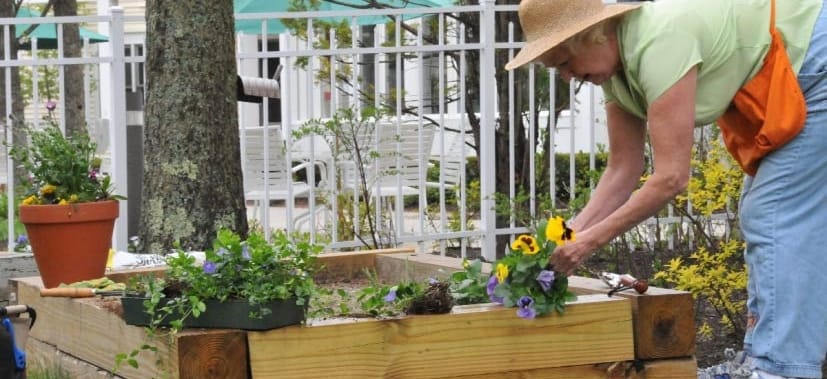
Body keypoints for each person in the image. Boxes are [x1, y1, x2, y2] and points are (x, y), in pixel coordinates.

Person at [505, 0, 827, 378]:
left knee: (772, 214)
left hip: (814, 62)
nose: (565, 76)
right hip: (794, 72)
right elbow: (623, 170)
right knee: (772, 215)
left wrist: (588, 243)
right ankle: (764, 357)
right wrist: (566, 236)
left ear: (591, 35)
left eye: (563, 62)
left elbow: (671, 177)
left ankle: (778, 367)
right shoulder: (616, 72)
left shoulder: (659, 43)